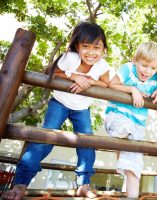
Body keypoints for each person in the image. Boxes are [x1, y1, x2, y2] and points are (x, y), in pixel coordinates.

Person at [2, 21, 110, 200]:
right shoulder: (70, 57)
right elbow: (51, 72)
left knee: (87, 142)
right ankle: (20, 184)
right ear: (77, 46)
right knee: (44, 139)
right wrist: (74, 75)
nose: (91, 52)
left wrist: (90, 80)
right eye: (86, 46)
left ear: (103, 49)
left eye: (96, 47)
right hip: (59, 103)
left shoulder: (102, 66)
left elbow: (106, 83)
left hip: (82, 108)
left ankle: (83, 185)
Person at [104, 41, 157, 198]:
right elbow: (113, 84)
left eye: (153, 68)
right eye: (144, 65)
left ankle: (132, 196)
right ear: (135, 60)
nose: (148, 71)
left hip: (138, 124)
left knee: (135, 165)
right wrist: (133, 89)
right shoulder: (128, 69)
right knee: (123, 130)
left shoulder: (154, 80)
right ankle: (122, 158)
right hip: (117, 116)